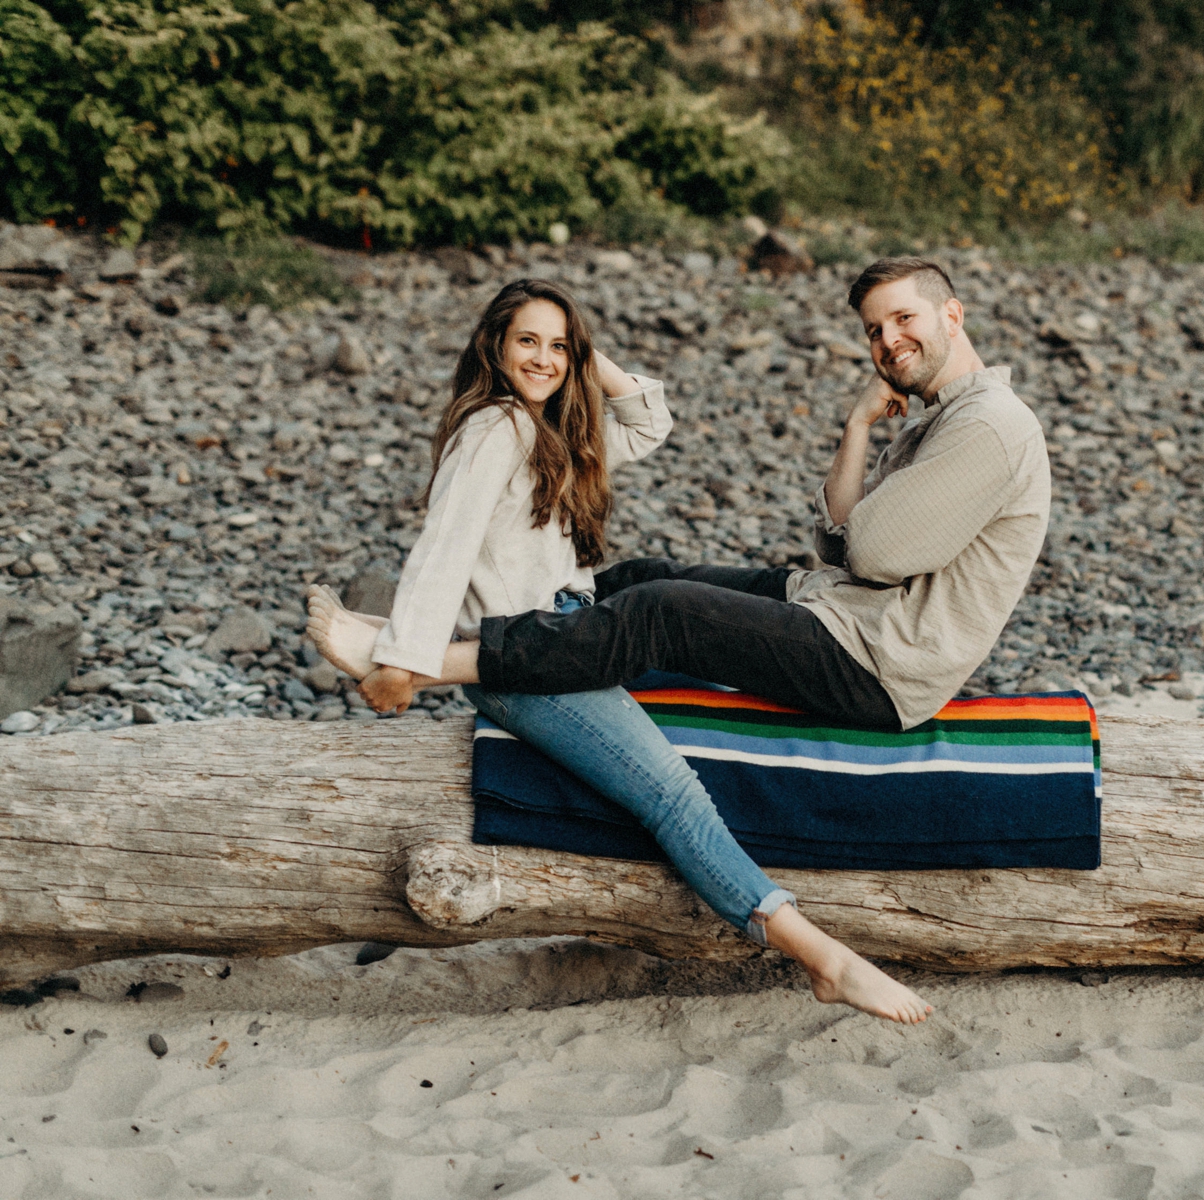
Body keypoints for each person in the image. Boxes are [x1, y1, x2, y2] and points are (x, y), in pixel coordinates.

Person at [307, 277, 930, 1025]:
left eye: (558, 346)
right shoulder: (494, 428)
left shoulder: (546, 427)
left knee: (681, 611)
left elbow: (647, 418)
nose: (543, 358)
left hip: (573, 625)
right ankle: (821, 957)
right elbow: (443, 549)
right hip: (527, 659)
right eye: (526, 341)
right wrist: (405, 663)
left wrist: (584, 350)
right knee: (671, 792)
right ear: (494, 347)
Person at [311, 257, 1052, 737]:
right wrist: (859, 423)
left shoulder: (988, 427)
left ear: (952, 315)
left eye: (905, 320)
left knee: (662, 612)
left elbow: (875, 552)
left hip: (878, 663)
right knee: (637, 579)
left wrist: (570, 342)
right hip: (839, 610)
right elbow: (836, 544)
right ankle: (443, 639)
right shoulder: (942, 419)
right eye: (874, 330)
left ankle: (432, 662)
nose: (888, 342)